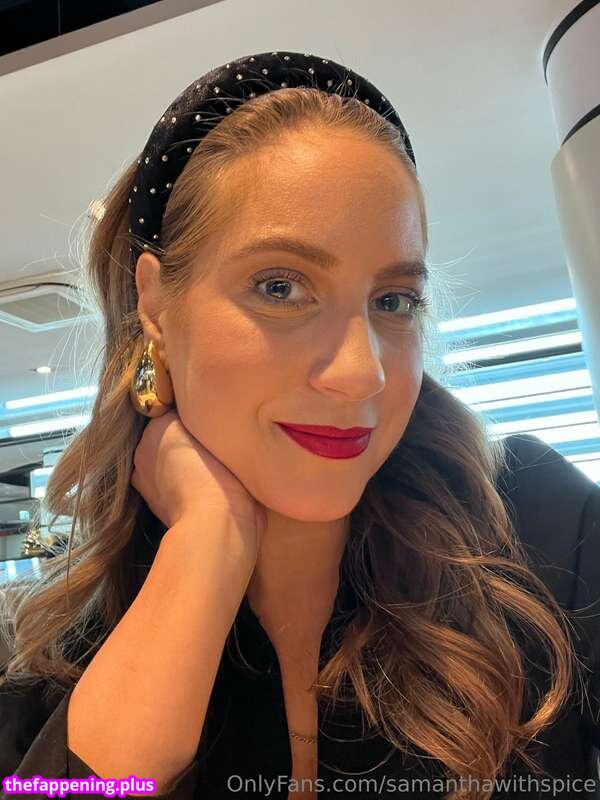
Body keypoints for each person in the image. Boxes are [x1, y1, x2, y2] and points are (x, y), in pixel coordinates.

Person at [0, 50, 599, 800]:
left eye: (393, 301)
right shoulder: (54, 665)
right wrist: (206, 544)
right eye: (281, 286)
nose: (362, 372)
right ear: (155, 305)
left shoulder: (547, 536)